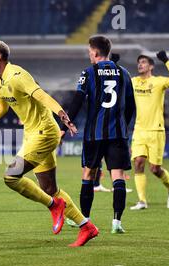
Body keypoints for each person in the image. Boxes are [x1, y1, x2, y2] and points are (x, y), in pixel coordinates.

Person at [0, 40, 99, 247]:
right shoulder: (1, 79)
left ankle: (54, 206)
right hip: (33, 133)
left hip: (44, 132)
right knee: (49, 187)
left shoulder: (17, 76)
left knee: (11, 176)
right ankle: (86, 227)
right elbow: (2, 106)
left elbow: (41, 95)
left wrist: (62, 115)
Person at [61, 35, 136, 234]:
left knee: (88, 174)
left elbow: (77, 100)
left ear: (95, 52)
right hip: (118, 135)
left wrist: (65, 124)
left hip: (94, 134)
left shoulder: (88, 72)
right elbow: (131, 107)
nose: (89, 56)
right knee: (118, 176)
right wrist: (123, 128)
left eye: (89, 52)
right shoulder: (124, 73)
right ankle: (116, 223)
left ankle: (85, 220)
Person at [129, 51, 169, 210]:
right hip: (139, 130)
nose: (140, 64)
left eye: (144, 62)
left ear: (151, 66)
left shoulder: (159, 82)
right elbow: (117, 81)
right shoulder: (134, 82)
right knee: (138, 162)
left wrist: (166, 60)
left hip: (156, 131)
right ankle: (142, 201)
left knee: (155, 169)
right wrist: (114, 65)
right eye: (139, 62)